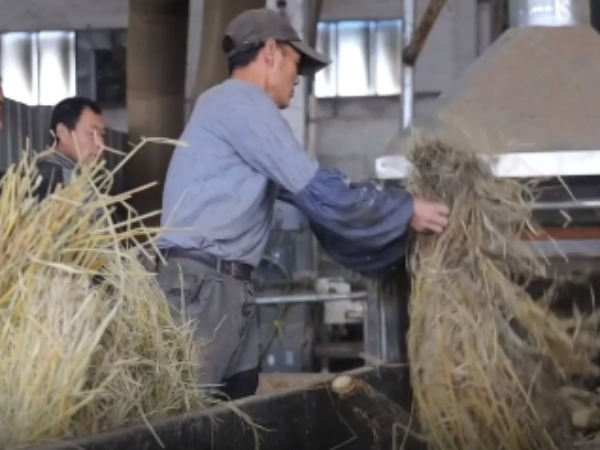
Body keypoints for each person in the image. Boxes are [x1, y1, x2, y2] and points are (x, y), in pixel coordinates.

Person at [156, 8, 450, 401]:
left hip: (223, 286)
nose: (298, 79)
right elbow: (323, 195)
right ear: (271, 52)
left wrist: (389, 241)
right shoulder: (241, 103)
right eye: (296, 63)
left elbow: (319, 204)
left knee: (232, 413)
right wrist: (405, 209)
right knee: (195, 417)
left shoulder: (227, 109)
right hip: (204, 289)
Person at [35, 96, 106, 200]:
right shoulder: (51, 178)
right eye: (91, 134)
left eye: (102, 134)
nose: (101, 144)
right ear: (62, 133)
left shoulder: (76, 174)